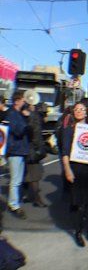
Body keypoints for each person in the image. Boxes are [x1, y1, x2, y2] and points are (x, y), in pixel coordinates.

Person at [61, 102, 88, 247]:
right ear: (73, 113)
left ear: (86, 113)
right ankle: (78, 232)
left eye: (82, 109)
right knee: (76, 203)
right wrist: (67, 169)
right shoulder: (68, 130)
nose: (79, 111)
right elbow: (65, 152)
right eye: (76, 109)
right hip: (75, 169)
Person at [5, 91, 30, 219]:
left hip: (20, 150)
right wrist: (26, 119)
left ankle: (14, 202)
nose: (24, 102)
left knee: (18, 179)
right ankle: (13, 205)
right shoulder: (12, 114)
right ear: (16, 101)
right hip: (15, 150)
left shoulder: (17, 113)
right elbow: (18, 131)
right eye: (22, 100)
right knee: (15, 180)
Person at [23, 103, 47, 207]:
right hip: (33, 149)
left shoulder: (28, 116)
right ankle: (37, 199)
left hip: (27, 148)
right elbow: (36, 134)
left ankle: (28, 195)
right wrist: (39, 148)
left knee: (29, 173)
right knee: (35, 175)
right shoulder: (34, 117)